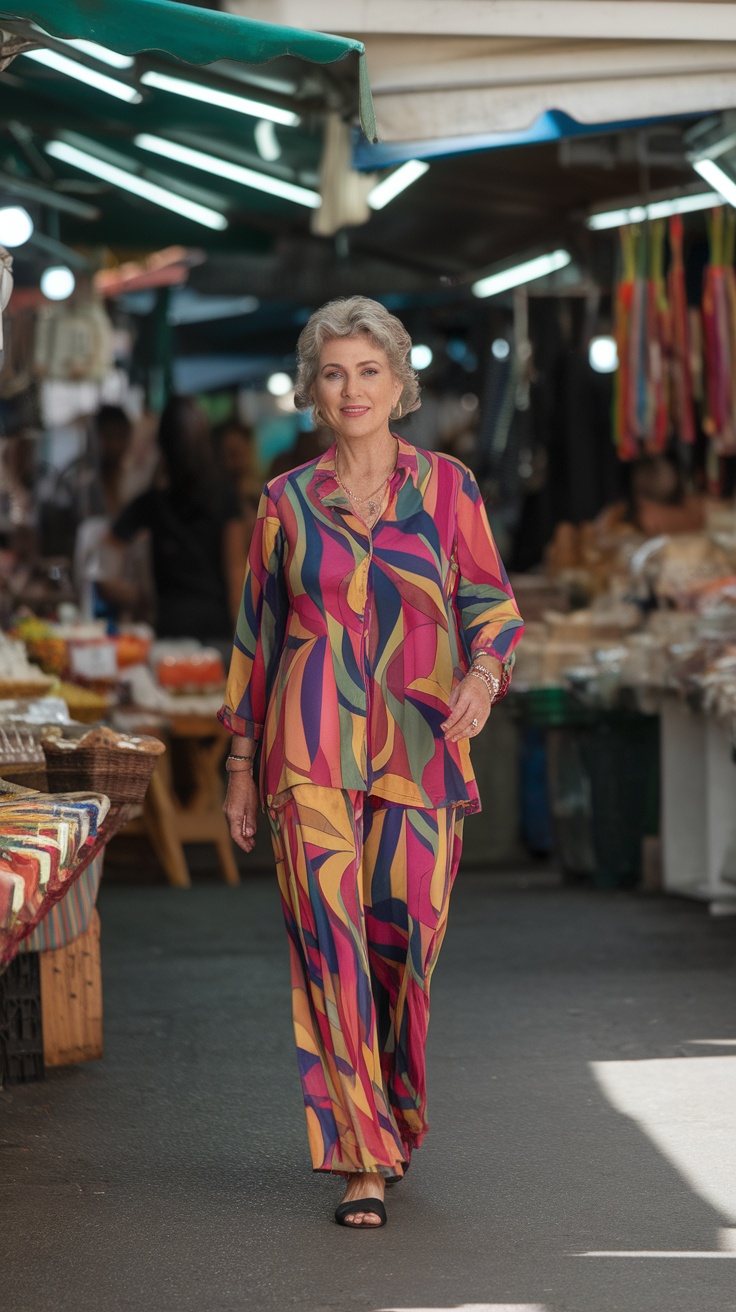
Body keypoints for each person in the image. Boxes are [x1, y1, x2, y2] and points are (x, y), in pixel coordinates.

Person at [219, 297, 523, 1230]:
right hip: (306, 751)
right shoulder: (285, 502)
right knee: (331, 947)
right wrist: (239, 765)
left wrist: (483, 675)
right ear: (313, 389)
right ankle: (360, 1155)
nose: (351, 389)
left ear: (399, 384)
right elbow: (257, 641)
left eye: (369, 371)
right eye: (334, 372)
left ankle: (391, 1110)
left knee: (403, 946)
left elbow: (492, 603)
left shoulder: (449, 488)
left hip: (422, 745)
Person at [112, 397, 247, 642]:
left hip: (168, 628)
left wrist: (135, 598)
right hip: (216, 629)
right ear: (205, 442)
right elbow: (236, 571)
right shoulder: (225, 499)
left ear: (162, 444)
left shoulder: (152, 501)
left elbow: (109, 550)